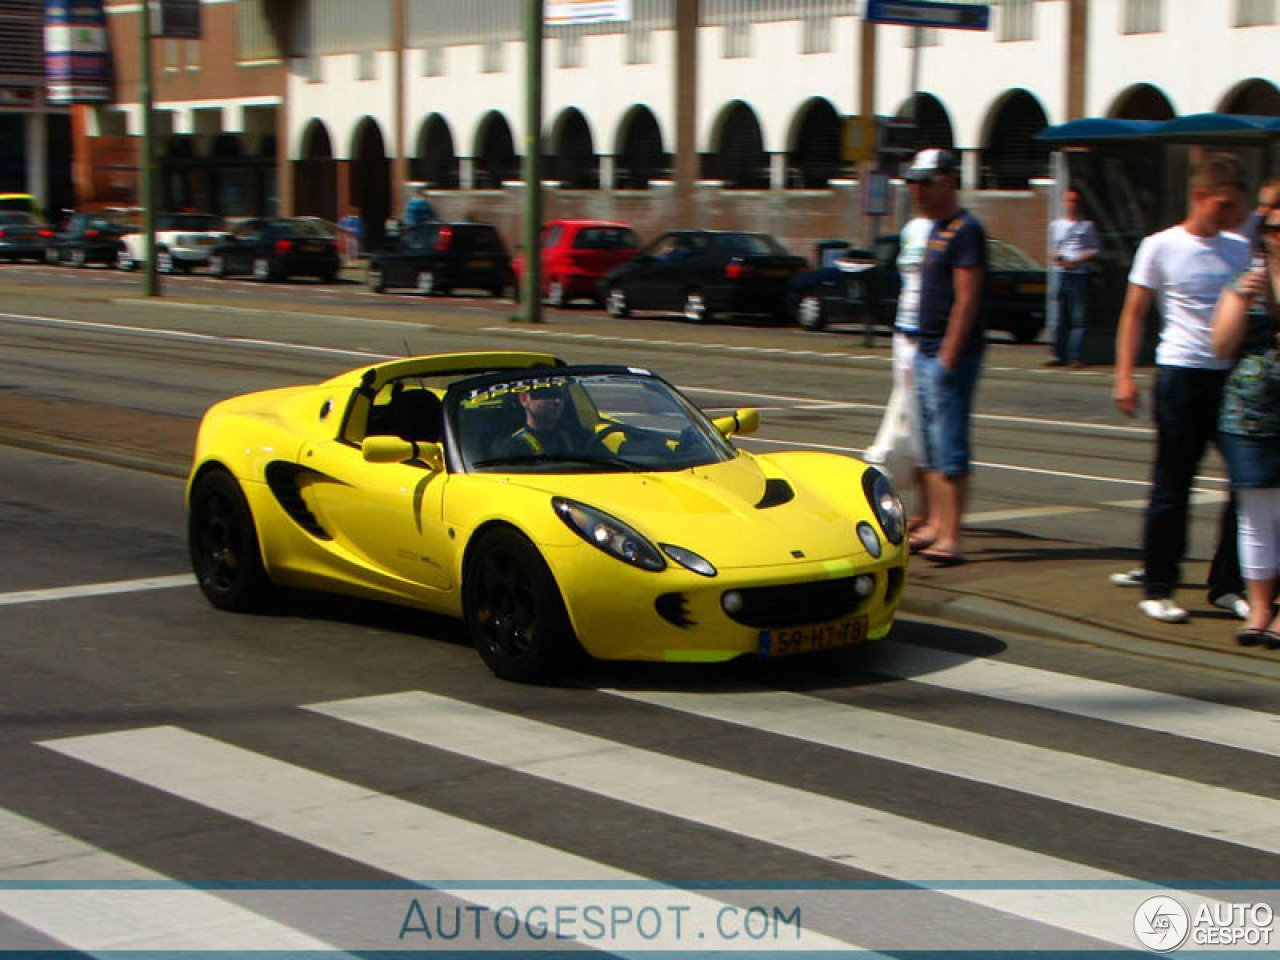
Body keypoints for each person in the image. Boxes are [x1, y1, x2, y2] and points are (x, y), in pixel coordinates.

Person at [1111, 151, 1252, 624]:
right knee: (1173, 486)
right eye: (1221, 204)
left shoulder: (1238, 249)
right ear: (1198, 196)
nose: (1229, 214)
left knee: (1246, 484)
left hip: (1230, 377)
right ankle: (1158, 584)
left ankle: (1227, 584)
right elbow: (1134, 312)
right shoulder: (1160, 246)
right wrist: (1125, 375)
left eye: (1234, 206)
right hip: (1180, 374)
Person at [901, 148, 986, 566]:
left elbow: (967, 300)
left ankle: (951, 534)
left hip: (948, 354)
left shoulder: (965, 230)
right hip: (925, 348)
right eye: (913, 182)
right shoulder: (935, 229)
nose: (916, 190)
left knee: (950, 447)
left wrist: (950, 354)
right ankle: (935, 523)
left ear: (949, 180)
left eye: (925, 182)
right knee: (930, 446)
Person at [1212, 200, 1280, 645]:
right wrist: (1240, 300)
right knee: (1255, 516)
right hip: (1249, 416)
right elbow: (1220, 345)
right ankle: (1258, 610)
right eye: (1274, 227)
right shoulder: (1244, 282)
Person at [865, 212, 933, 531]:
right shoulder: (911, 229)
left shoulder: (947, 229)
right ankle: (921, 505)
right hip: (903, 333)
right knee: (908, 413)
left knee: (922, 418)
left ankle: (928, 507)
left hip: (927, 335)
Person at [1045, 187, 1100, 369]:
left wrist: (1077, 259)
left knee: (1078, 316)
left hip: (1079, 274)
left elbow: (1094, 249)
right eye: (1068, 200)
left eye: (1075, 201)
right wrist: (1057, 258)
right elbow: (1052, 248)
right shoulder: (1056, 225)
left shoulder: (1086, 226)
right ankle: (1060, 355)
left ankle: (1075, 356)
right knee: (1061, 316)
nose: (1071, 204)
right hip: (1061, 273)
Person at [491, 382, 592, 458]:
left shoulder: (580, 438)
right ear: (524, 399)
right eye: (546, 394)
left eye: (560, 394)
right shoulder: (510, 448)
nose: (557, 401)